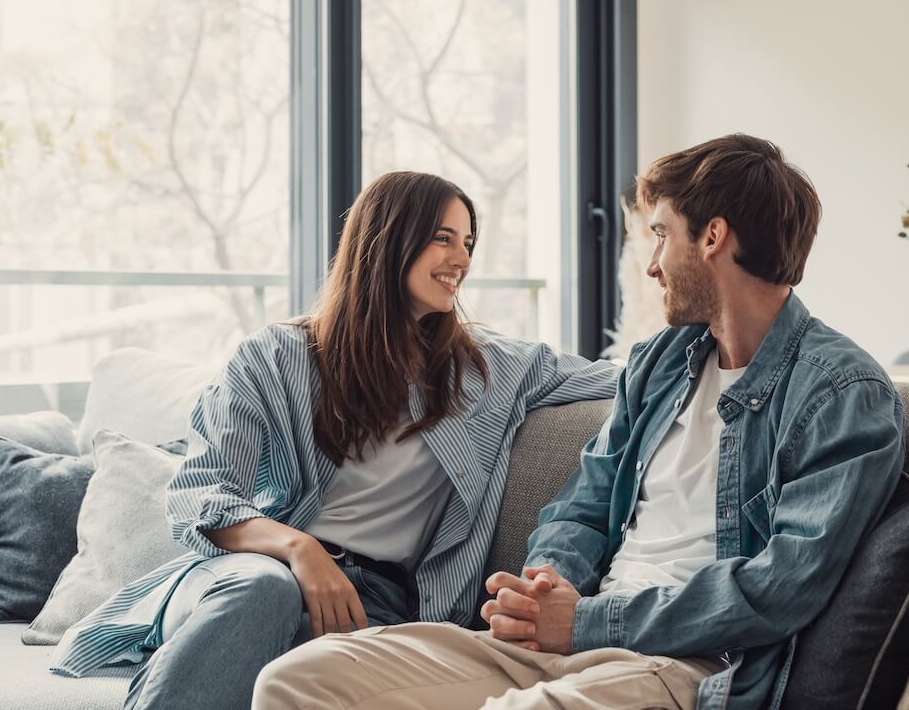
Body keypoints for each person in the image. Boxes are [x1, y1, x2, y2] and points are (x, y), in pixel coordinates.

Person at [251, 134, 906, 710]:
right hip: (564, 644)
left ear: (712, 237)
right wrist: (547, 584)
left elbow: (782, 587)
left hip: (684, 666)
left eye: (661, 233)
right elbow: (582, 508)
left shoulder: (843, 391)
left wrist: (589, 623)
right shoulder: (661, 363)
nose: (651, 264)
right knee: (298, 680)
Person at [48, 171, 620, 710]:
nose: (461, 259)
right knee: (262, 595)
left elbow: (633, 375)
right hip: (250, 573)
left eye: (468, 241)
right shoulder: (275, 357)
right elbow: (203, 494)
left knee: (294, 670)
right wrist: (302, 550)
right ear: (387, 240)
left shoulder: (492, 369)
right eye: (443, 238)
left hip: (381, 605)